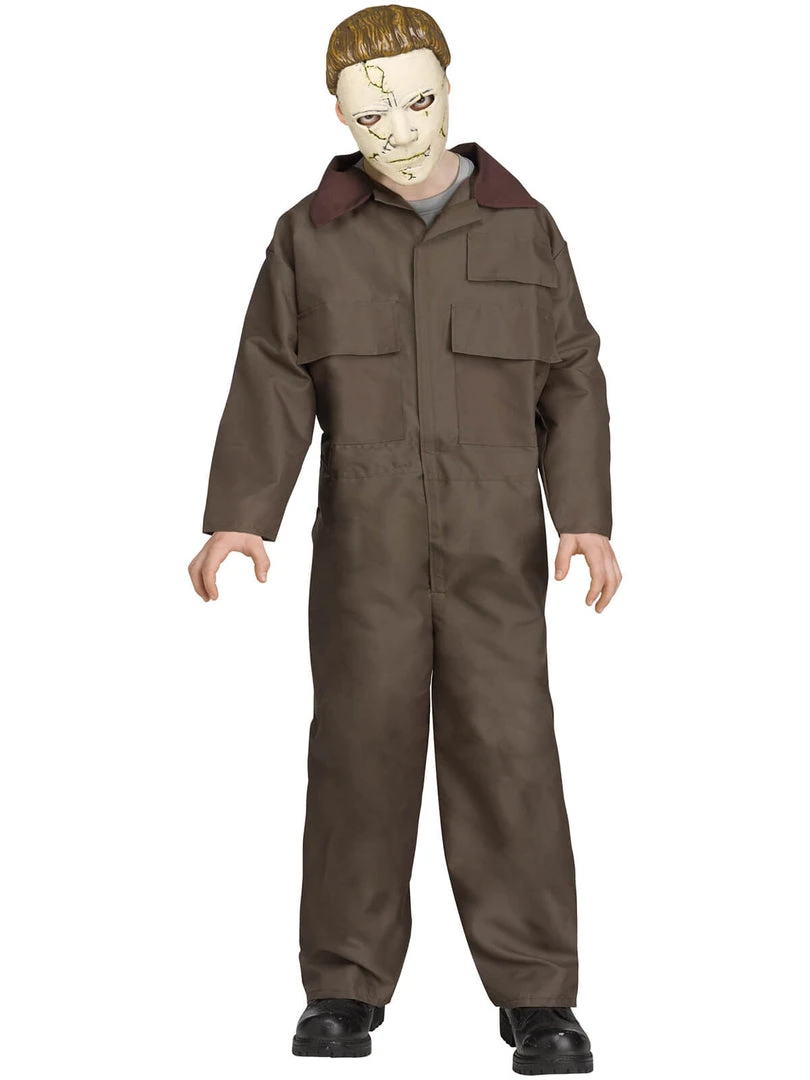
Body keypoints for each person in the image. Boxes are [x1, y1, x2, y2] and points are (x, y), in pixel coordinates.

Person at [188, 5, 621, 1073]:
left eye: (419, 101)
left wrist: (584, 517)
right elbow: (271, 374)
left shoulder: (524, 228)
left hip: (495, 545)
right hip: (366, 544)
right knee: (358, 753)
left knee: (510, 755)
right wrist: (241, 514)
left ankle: (539, 999)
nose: (400, 128)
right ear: (337, 115)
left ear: (450, 91)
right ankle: (341, 988)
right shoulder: (311, 236)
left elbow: (572, 375)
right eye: (371, 113)